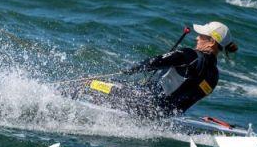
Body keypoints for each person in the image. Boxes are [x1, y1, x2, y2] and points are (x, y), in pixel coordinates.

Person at [70, 21, 238, 118]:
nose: (196, 37)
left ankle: (57, 101)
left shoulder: (189, 55)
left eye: (201, 36)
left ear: (211, 43)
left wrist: (132, 69)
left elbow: (156, 61)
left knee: (89, 81)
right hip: (162, 115)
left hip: (142, 102)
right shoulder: (214, 76)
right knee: (118, 87)